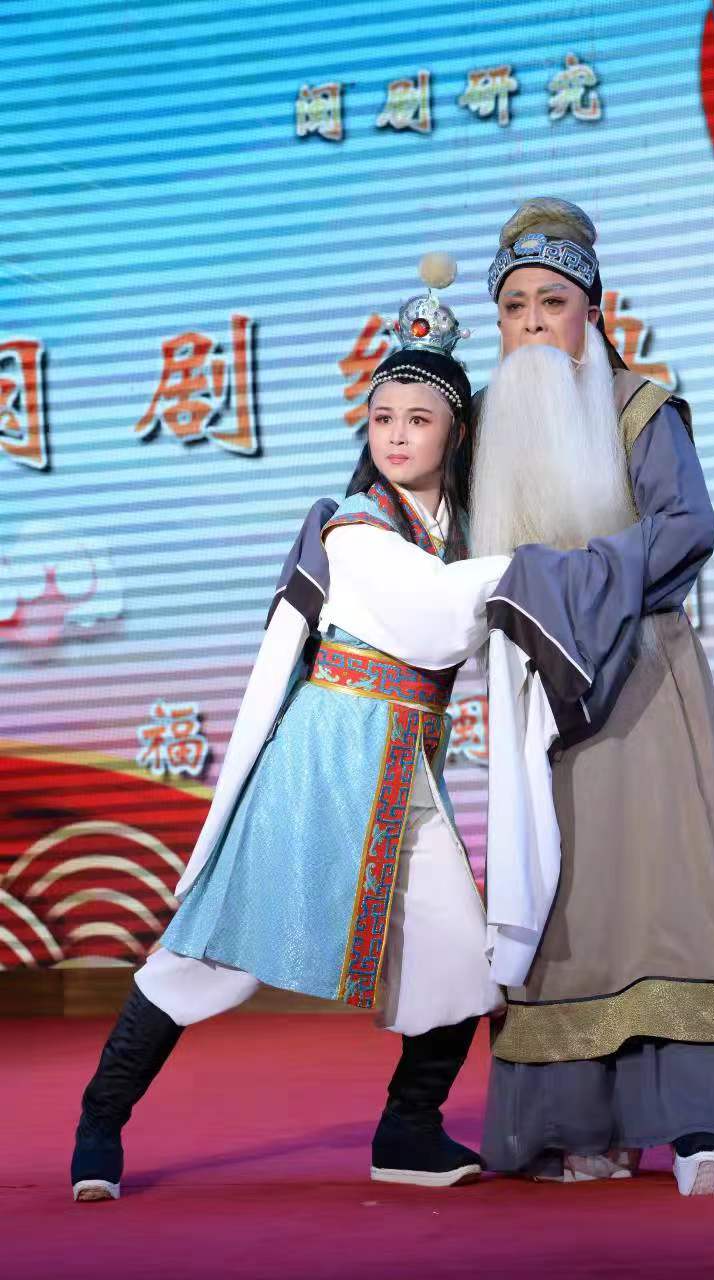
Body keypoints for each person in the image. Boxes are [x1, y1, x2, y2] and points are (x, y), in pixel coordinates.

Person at [70, 258, 508, 1203]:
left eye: (418, 419)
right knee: (208, 954)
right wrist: (548, 567)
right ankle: (101, 1118)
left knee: (459, 951)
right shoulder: (355, 527)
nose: (397, 436)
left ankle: (408, 1128)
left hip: (405, 772)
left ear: (455, 431)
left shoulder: (460, 532)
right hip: (322, 761)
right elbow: (440, 618)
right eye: (383, 418)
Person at [471, 198, 714, 1197]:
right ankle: (572, 1127)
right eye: (514, 307)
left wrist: (564, 587)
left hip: (640, 681)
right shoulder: (483, 425)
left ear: (592, 310)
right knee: (559, 911)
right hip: (537, 703)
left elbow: (683, 529)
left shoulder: (640, 408)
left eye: (552, 302)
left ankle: (690, 1123)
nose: (533, 324)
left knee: (663, 897)